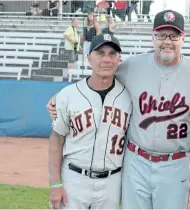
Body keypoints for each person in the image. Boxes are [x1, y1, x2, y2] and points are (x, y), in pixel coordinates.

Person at [46, 9, 190, 209]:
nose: (167, 41)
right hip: (136, 161)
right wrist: (61, 98)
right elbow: (100, 75)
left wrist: (188, 136)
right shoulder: (132, 66)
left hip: (174, 163)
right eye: (161, 35)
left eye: (174, 35)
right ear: (153, 37)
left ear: (182, 38)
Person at [48, 33, 133, 209]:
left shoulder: (129, 96)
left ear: (119, 60)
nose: (106, 59)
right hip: (74, 178)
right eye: (100, 53)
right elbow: (56, 140)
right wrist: (55, 184)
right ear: (89, 58)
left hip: (112, 182)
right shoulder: (68, 95)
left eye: (112, 54)